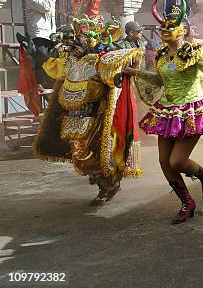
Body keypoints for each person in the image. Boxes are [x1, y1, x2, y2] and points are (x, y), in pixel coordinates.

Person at [123, 0, 203, 224]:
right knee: (163, 161)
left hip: (192, 110)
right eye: (164, 27)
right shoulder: (160, 55)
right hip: (167, 111)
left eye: (172, 26)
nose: (167, 30)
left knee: (177, 162)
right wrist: (135, 72)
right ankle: (186, 201)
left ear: (183, 30)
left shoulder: (193, 52)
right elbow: (160, 80)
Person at [35, 18, 142, 205]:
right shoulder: (70, 60)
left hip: (97, 115)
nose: (81, 42)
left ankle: (108, 184)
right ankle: (102, 179)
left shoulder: (101, 59)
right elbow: (55, 70)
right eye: (80, 38)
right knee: (79, 153)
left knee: (97, 153)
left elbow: (116, 74)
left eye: (87, 38)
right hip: (74, 114)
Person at [24, 0, 58, 87]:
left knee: (49, 59)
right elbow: (45, 8)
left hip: (48, 33)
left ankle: (48, 83)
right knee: (41, 58)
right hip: (38, 32)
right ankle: (39, 83)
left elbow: (51, 15)